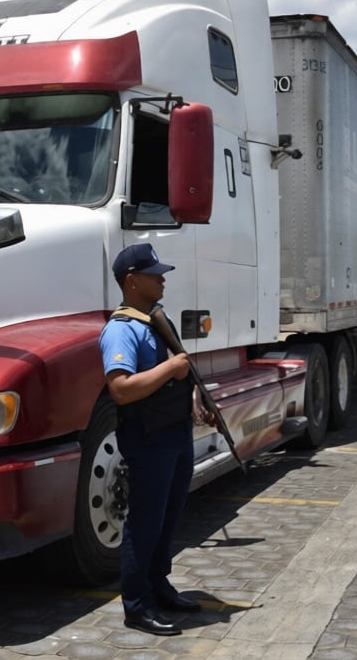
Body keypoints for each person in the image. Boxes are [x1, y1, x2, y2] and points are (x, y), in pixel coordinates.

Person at [98, 243, 202, 636]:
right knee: (144, 523)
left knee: (168, 518)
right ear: (131, 281)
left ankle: (159, 585)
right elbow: (121, 389)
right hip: (149, 439)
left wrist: (193, 398)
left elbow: (180, 373)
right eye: (154, 274)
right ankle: (137, 606)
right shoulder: (122, 331)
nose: (162, 279)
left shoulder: (156, 321)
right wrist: (171, 369)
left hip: (175, 433)